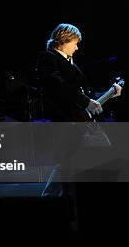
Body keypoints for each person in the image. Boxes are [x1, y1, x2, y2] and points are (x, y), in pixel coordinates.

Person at [36, 23, 121, 196]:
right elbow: (56, 86)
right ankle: (49, 198)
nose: (77, 47)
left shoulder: (70, 63)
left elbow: (86, 95)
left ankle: (53, 197)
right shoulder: (48, 58)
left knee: (74, 160)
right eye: (75, 42)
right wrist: (86, 102)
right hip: (67, 119)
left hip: (81, 120)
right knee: (72, 161)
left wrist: (109, 94)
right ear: (64, 40)